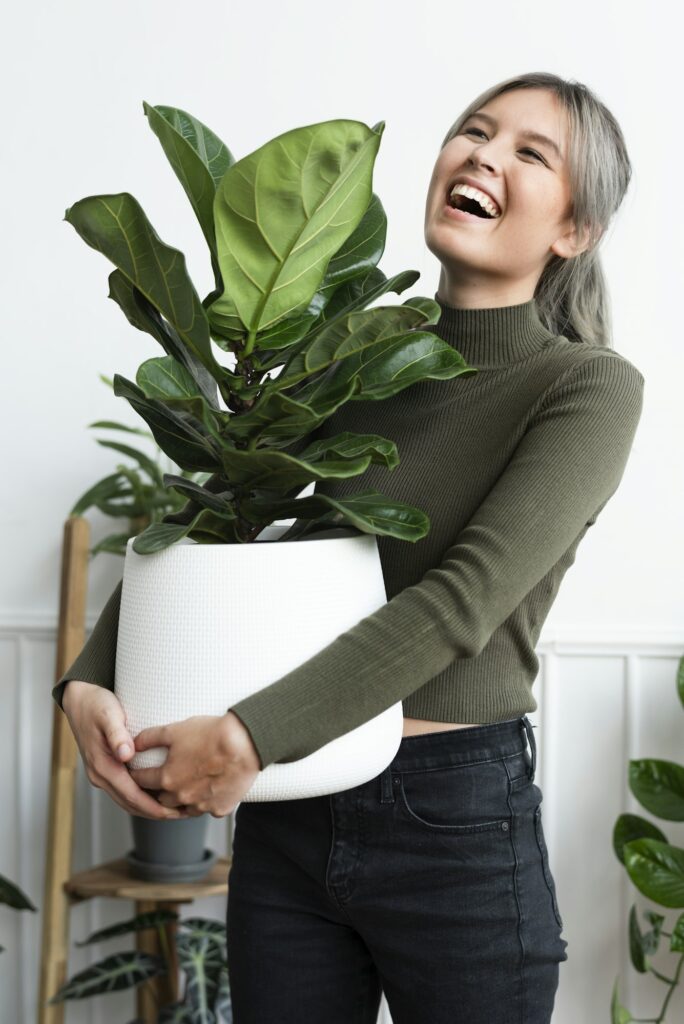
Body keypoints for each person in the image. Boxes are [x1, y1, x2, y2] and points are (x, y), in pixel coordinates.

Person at [54, 71, 645, 1023]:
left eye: (531, 154)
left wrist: (249, 735)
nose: (484, 155)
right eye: (474, 131)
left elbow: (462, 602)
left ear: (573, 230)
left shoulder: (586, 387)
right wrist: (86, 677)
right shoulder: (353, 353)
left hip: (448, 822)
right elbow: (222, 522)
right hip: (290, 804)